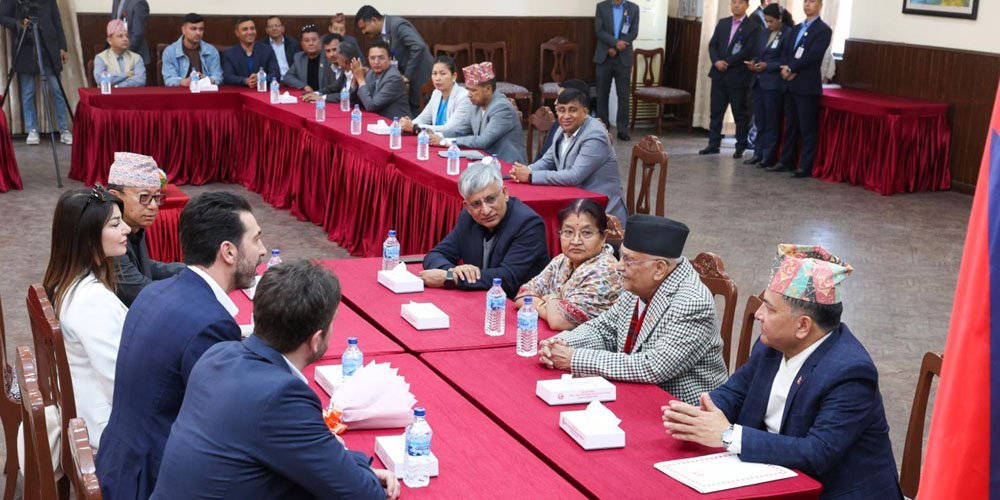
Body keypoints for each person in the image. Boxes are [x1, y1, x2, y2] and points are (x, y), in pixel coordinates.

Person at [662, 244, 903, 499]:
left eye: (770, 308)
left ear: (802, 326)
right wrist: (702, 415)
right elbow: (736, 391)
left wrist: (728, 435)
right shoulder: (772, 346)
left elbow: (817, 452)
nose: (758, 314)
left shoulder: (850, 373)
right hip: (775, 476)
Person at [152, 261, 400, 499]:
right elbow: (360, 493)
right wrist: (358, 469)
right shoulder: (282, 396)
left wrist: (347, 464)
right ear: (316, 340)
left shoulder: (218, 354)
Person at [96, 192, 267, 499]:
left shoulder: (155, 292)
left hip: (118, 464)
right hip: (151, 482)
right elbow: (225, 425)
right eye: (256, 240)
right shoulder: (212, 324)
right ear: (228, 251)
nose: (263, 251)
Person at [538, 214, 727, 404]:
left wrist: (574, 358)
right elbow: (604, 329)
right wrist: (561, 343)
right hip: (635, 390)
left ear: (659, 268)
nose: (619, 266)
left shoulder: (693, 302)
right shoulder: (638, 283)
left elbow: (653, 366)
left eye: (628, 260)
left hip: (682, 408)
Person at [41, 186, 130, 451]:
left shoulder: (63, 283)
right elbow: (120, 384)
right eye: (116, 224)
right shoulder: (92, 302)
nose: (126, 228)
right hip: (100, 428)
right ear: (88, 238)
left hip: (83, 406)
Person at [421, 162, 548, 298]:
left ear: (505, 193)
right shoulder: (467, 218)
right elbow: (435, 255)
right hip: (481, 298)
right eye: (476, 204)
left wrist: (452, 278)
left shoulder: (528, 224)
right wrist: (452, 271)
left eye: (491, 199)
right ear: (467, 207)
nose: (485, 210)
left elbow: (508, 277)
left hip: (519, 306)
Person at [510, 89, 628, 224]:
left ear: (585, 112)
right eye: (561, 110)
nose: (566, 116)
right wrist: (527, 170)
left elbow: (574, 176)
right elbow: (548, 160)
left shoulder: (595, 136)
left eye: (572, 110)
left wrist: (531, 177)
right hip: (575, 205)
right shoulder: (562, 128)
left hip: (602, 214)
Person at [515, 199, 622, 331]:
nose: (576, 241)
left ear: (603, 237)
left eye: (586, 233)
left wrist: (551, 298)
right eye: (568, 232)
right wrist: (550, 306)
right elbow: (522, 295)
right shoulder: (562, 260)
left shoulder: (605, 271)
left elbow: (559, 321)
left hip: (586, 348)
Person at [105, 152, 185, 307]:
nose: (153, 206)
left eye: (156, 197)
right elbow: (140, 292)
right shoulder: (107, 236)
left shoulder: (132, 225)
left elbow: (141, 265)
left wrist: (187, 271)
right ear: (115, 196)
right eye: (144, 197)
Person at [768, 0, 831, 178]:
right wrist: (786, 68)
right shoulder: (796, 28)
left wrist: (792, 69)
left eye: (812, 2)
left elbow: (813, 55)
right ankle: (786, 161)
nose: (807, 5)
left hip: (806, 85)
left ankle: (805, 165)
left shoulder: (823, 30)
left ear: (820, 5)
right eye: (805, 1)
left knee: (807, 128)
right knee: (791, 126)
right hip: (789, 84)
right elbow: (787, 51)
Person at [0, 0, 72, 145]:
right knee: (28, 91)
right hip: (26, 46)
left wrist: (62, 47)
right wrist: (19, 23)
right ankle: (32, 129)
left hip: (49, 47)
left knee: (57, 90)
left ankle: (64, 130)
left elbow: (57, 21)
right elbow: (2, 17)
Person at [427, 62, 527, 164]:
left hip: (507, 165)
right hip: (483, 160)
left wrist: (445, 141)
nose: (469, 95)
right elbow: (460, 130)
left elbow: (483, 141)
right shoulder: (476, 104)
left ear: (488, 89)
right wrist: (436, 135)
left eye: (473, 90)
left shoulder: (502, 108)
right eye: (468, 90)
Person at [700, 0, 760, 159]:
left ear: (747, 5)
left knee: (739, 114)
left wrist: (727, 62)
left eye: (740, 3)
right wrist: (716, 61)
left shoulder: (753, 27)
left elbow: (748, 51)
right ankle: (713, 145)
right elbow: (712, 45)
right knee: (716, 112)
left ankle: (740, 146)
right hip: (719, 75)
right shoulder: (723, 23)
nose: (736, 6)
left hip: (738, 77)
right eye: (734, 2)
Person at [355, 5, 433, 115]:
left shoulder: (398, 25)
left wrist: (407, 76)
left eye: (364, 28)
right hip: (405, 81)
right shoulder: (382, 34)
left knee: (420, 114)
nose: (363, 32)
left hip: (420, 75)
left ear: (374, 20)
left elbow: (418, 46)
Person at [743, 4, 790, 168]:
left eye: (771, 21)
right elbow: (758, 53)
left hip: (773, 85)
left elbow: (785, 61)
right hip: (758, 82)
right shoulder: (764, 32)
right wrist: (754, 62)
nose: (768, 24)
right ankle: (758, 153)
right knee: (760, 121)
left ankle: (768, 156)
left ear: (779, 19)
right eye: (766, 21)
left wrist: (767, 66)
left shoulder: (787, 34)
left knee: (771, 122)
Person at [594, 0, 640, 142]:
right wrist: (615, 44)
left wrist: (621, 45)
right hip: (605, 55)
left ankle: (622, 129)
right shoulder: (601, 6)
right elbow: (599, 30)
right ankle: (602, 127)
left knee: (624, 95)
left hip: (624, 57)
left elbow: (633, 32)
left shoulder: (633, 8)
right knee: (602, 93)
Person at [400, 55, 473, 138]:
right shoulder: (436, 93)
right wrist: (408, 124)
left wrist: (415, 127)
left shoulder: (464, 97)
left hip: (455, 145)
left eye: (443, 74)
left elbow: (449, 129)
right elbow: (424, 118)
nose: (437, 78)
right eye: (434, 74)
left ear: (454, 76)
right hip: (436, 141)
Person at [351, 39, 411, 120]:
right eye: (372, 58)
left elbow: (371, 106)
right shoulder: (371, 73)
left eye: (381, 58)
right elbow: (355, 103)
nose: (376, 62)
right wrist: (355, 81)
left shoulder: (394, 78)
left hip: (396, 126)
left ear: (389, 59)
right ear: (368, 59)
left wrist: (361, 80)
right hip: (376, 121)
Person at [535, 79, 590, 162]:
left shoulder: (591, 133)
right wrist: (529, 171)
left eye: (560, 98)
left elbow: (576, 173)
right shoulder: (558, 125)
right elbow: (544, 157)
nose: (555, 103)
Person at [161, 13, 223, 87]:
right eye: (193, 29)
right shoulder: (170, 52)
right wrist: (184, 82)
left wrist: (207, 80)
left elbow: (218, 77)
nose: (198, 33)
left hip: (205, 93)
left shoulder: (211, 51)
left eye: (201, 29)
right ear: (183, 30)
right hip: (181, 93)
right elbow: (169, 80)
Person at [222, 16, 280, 88]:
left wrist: (260, 78)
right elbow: (228, 77)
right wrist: (245, 81)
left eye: (252, 28)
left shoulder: (267, 50)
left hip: (262, 92)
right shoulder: (230, 54)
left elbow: (276, 74)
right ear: (237, 33)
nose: (250, 32)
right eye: (245, 29)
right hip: (240, 92)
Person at [304, 38, 361, 105]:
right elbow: (332, 88)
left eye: (338, 57)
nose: (334, 56)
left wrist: (322, 97)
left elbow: (349, 96)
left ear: (344, 60)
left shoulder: (360, 73)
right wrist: (314, 93)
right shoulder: (345, 72)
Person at [94, 20, 146, 88]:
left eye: (127, 36)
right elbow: (100, 80)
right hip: (109, 97)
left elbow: (141, 80)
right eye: (120, 36)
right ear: (110, 40)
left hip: (131, 96)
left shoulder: (136, 58)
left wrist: (117, 86)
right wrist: (126, 75)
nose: (125, 39)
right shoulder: (100, 58)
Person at [282, 25, 329, 93]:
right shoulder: (299, 57)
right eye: (306, 41)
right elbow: (288, 77)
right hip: (307, 97)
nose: (311, 43)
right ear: (302, 43)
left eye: (314, 40)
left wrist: (317, 94)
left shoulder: (328, 56)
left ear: (320, 41)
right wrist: (304, 86)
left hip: (324, 97)